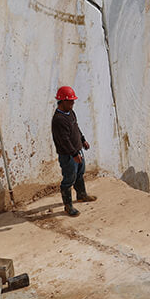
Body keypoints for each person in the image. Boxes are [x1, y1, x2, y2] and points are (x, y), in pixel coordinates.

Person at [51, 85, 96, 217]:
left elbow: (76, 128)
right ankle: (68, 206)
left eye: (73, 101)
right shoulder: (59, 120)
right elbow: (64, 141)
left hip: (77, 151)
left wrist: (82, 140)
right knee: (69, 178)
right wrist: (74, 154)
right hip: (68, 156)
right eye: (70, 101)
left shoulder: (70, 112)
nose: (73, 103)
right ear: (62, 101)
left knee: (79, 173)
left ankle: (81, 195)